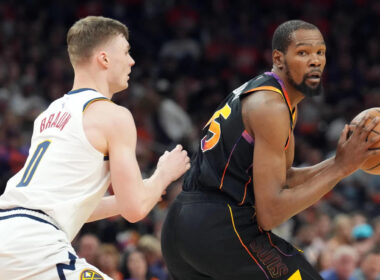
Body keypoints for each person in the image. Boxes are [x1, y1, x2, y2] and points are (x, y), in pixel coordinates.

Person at [161, 19, 380, 280]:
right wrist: (341, 168)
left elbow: (282, 180)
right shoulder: (271, 108)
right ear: (279, 58)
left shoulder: (270, 96)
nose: (315, 61)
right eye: (303, 53)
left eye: (320, 53)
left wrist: (342, 163)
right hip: (219, 225)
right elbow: (271, 213)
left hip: (184, 226)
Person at [0, 16, 190, 280]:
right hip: (35, 243)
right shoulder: (114, 116)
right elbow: (135, 209)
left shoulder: (48, 114)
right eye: (126, 52)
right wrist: (162, 176)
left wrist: (142, 190)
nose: (132, 61)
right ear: (104, 59)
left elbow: (73, 206)